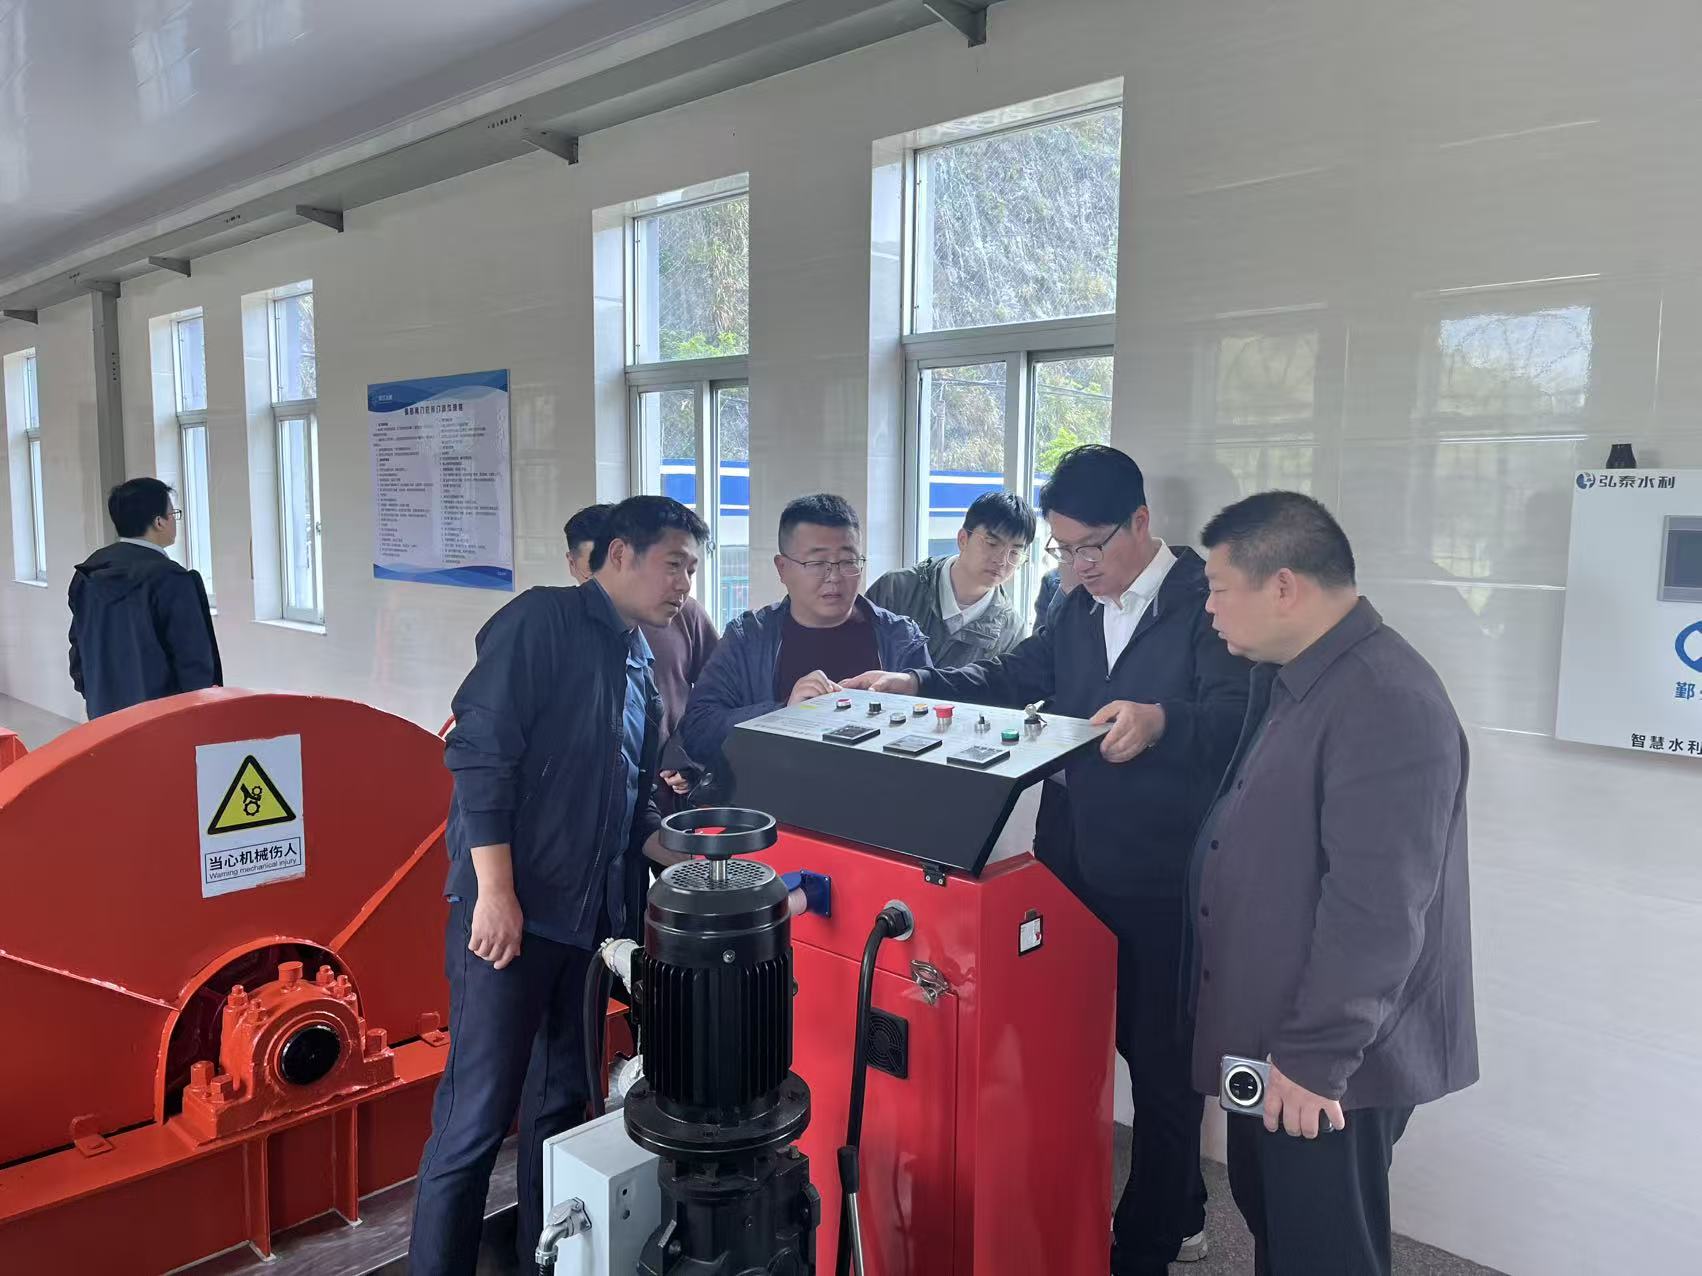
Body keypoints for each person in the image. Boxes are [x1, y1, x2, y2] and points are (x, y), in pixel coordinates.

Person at [847, 445, 1249, 1275]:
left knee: (1161, 1065)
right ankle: (1154, 1206)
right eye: (1063, 550)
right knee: (1069, 1043)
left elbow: (1239, 716)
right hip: (1071, 866)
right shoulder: (1074, 603)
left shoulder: (1202, 597)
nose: (1076, 566)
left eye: (1089, 547)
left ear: (1141, 522)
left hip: (1165, 878)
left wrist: (1162, 721)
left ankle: (1150, 1243)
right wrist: (917, 684)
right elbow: (1017, 673)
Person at [409, 495, 705, 1276]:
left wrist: (694, 863)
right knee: (475, 1121)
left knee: (558, 1110)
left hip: (587, 933)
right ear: (620, 555)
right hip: (509, 923)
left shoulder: (640, 664)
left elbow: (634, 810)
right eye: (675, 564)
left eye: (693, 570)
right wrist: (495, 893)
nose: (685, 585)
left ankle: (544, 1262)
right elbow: (480, 756)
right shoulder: (542, 622)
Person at [1192, 491, 1477, 1276]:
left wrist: (1316, 1056)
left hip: (1327, 1058)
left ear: (1283, 586)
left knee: (1324, 1250)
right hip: (1281, 1034)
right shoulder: (1305, 678)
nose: (1209, 607)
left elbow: (1379, 909)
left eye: (1219, 588)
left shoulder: (1384, 698)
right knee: (1278, 1225)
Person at [677, 493, 931, 766]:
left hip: (881, 787)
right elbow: (698, 729)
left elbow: (938, 730)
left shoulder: (900, 638)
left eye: (848, 562)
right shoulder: (748, 639)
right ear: (782, 568)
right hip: (774, 789)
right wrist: (784, 712)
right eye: (817, 563)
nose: (834, 577)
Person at [566, 503, 719, 809]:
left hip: (667, 797)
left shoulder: (683, 615)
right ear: (572, 564)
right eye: (592, 570)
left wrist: (689, 755)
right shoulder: (558, 629)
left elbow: (719, 697)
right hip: (595, 806)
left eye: (689, 570)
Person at [67, 477, 220, 718]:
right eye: (173, 514)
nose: (174, 521)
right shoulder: (171, 579)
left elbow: (78, 651)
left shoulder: (90, 573)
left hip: (104, 717)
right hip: (162, 721)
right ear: (159, 522)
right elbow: (193, 663)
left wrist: (98, 698)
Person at [865, 491, 1034, 666]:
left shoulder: (1012, 632)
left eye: (1015, 553)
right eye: (992, 543)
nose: (1001, 560)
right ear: (963, 539)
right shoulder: (895, 590)